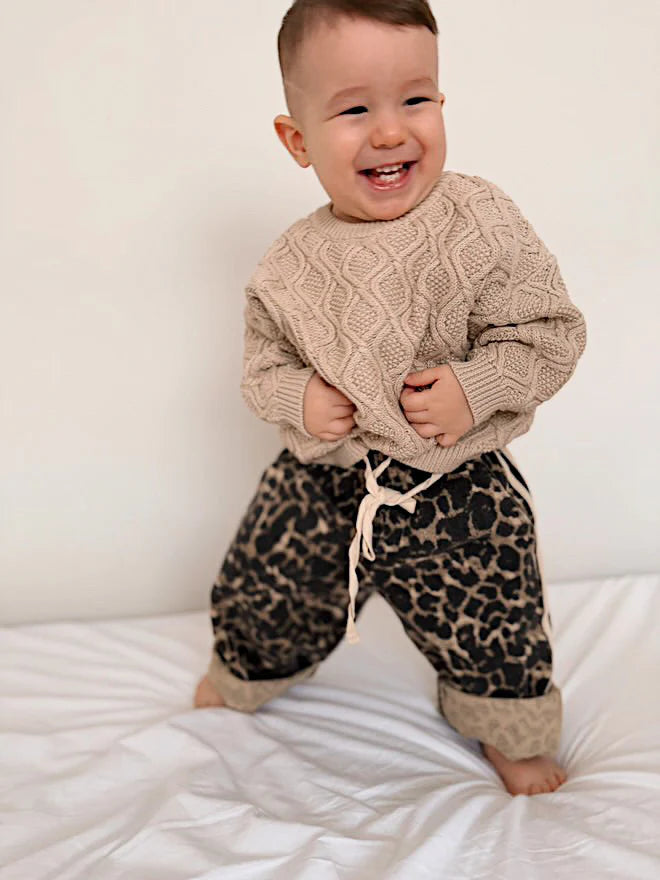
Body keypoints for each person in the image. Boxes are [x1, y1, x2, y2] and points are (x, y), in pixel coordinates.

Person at [194, 0, 587, 797]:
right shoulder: (289, 265)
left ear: (442, 102)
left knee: (495, 611)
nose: (389, 131)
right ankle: (243, 670)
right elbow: (260, 367)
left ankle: (507, 726)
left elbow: (551, 334)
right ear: (298, 141)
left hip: (452, 483)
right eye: (354, 110)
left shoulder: (478, 221)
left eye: (415, 99)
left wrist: (474, 388)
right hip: (325, 478)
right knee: (269, 582)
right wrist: (301, 396)